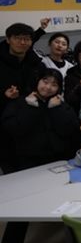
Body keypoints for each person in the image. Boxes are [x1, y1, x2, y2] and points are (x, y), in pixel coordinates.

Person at [0, 68, 81, 243]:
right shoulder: (21, 103)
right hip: (28, 162)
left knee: (70, 204)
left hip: (58, 163)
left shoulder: (61, 104)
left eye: (54, 84)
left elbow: (70, 130)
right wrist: (32, 108)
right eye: (45, 81)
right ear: (37, 82)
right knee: (23, 206)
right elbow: (15, 130)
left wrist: (56, 109)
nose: (49, 87)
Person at [0, 23, 43, 174]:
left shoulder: (35, 62)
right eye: (18, 38)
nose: (22, 42)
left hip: (31, 118)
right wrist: (4, 95)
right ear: (8, 39)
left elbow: (45, 82)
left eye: (27, 39)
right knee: (10, 166)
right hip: (5, 121)